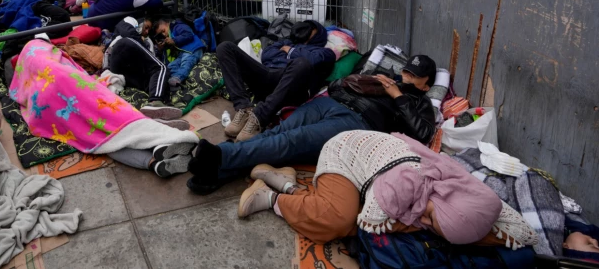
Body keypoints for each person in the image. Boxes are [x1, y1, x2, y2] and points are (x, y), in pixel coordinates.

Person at [236, 130, 539, 252]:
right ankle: (272, 198)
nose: (428, 223)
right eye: (433, 218)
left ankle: (287, 183)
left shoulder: (462, 193)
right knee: (340, 221)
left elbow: (514, 227)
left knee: (382, 221)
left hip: (373, 178)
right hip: (345, 154)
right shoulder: (406, 182)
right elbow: (368, 221)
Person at [187, 55, 439, 194]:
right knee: (279, 132)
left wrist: (398, 95)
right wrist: (368, 81)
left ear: (426, 85)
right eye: (407, 71)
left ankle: (220, 156)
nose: (407, 77)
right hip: (329, 104)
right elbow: (337, 85)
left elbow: (423, 133)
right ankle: (221, 172)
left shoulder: (419, 102)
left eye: (415, 76)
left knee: (291, 141)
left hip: (356, 123)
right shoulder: (383, 80)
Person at [12, 37, 197, 178]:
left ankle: (152, 162)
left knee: (98, 139)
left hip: (47, 108)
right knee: (116, 116)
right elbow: (77, 73)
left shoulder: (23, 72)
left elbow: (19, 93)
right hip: (68, 84)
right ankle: (161, 138)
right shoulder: (49, 54)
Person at [219, 20, 336, 142]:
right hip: (269, 73)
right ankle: (243, 108)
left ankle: (260, 117)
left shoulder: (325, 52)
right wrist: (290, 49)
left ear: (319, 34)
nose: (304, 31)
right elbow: (267, 54)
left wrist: (288, 51)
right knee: (225, 47)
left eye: (310, 29)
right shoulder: (288, 42)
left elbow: (311, 60)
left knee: (301, 63)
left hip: (292, 84)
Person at [104, 16, 181, 119]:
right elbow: (125, 29)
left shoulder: (147, 41)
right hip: (122, 47)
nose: (146, 31)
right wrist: (141, 41)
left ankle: (161, 108)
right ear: (140, 22)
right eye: (146, 27)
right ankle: (155, 101)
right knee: (161, 68)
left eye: (148, 30)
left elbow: (149, 61)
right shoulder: (131, 22)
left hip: (122, 69)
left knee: (146, 82)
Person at [152, 18, 204, 87]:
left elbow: (189, 34)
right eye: (161, 34)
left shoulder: (177, 26)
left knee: (186, 63)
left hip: (193, 49)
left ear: (167, 24)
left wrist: (174, 40)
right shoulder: (170, 35)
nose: (164, 34)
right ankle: (174, 79)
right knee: (171, 66)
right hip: (183, 53)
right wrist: (164, 47)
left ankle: (178, 78)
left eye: (163, 31)